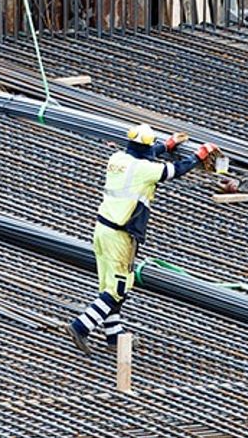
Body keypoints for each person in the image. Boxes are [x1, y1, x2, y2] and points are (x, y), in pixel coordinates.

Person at [67, 124, 220, 355]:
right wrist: (199, 156)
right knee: (118, 288)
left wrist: (166, 145)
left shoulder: (117, 158)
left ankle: (114, 337)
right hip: (121, 235)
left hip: (102, 229)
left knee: (108, 287)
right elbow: (174, 171)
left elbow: (143, 155)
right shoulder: (145, 170)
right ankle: (81, 326)